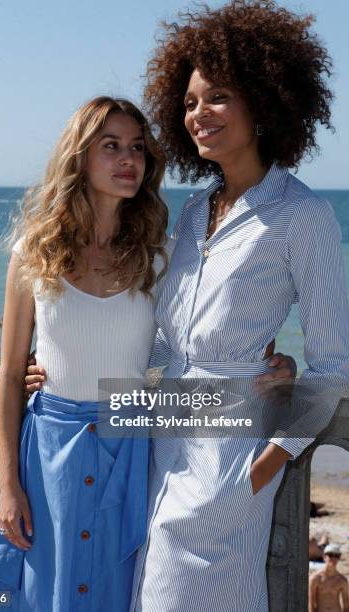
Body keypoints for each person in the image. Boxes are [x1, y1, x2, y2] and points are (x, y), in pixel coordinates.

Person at [118, 2, 348, 611]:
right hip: (163, 447)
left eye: (218, 96)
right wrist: (57, 366)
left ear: (265, 103)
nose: (199, 114)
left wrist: (255, 477)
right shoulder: (194, 212)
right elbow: (166, 344)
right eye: (190, 102)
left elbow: (331, 371)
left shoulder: (304, 215)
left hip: (229, 464)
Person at [0, 96, 172, 612]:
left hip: (127, 447)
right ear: (80, 157)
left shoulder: (160, 255)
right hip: (48, 453)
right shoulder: (34, 251)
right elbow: (9, 372)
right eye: (111, 146)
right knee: (46, 590)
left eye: (137, 148)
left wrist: (268, 361)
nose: (129, 159)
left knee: (114, 590)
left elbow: (202, 337)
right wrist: (8, 485)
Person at [309, 544, 349, 612]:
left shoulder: (342, 580)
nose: (333, 559)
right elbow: (312, 604)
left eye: (336, 556)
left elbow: (346, 605)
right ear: (324, 557)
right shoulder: (315, 578)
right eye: (330, 555)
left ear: (339, 558)